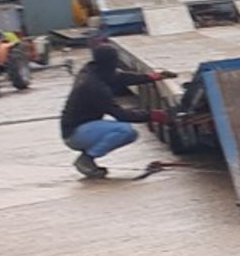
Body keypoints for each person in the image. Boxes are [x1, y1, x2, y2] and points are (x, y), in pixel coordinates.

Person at [60, 41, 175, 179]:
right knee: (124, 131)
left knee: (128, 132)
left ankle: (88, 156)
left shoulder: (92, 70)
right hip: (75, 134)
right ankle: (86, 159)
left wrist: (149, 77)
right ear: (111, 63)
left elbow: (120, 77)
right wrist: (152, 115)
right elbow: (121, 115)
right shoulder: (94, 87)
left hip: (80, 128)